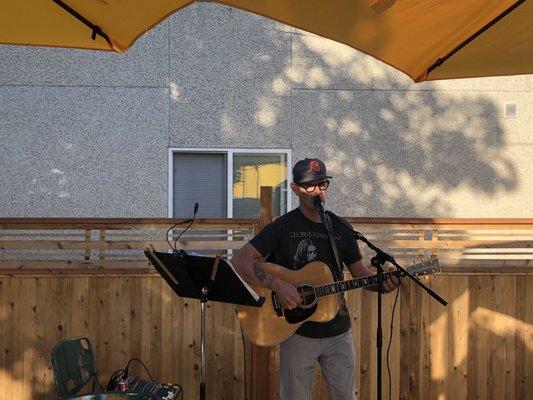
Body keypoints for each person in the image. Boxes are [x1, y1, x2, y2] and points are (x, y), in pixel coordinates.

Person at [231, 158, 400, 400]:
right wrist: (277, 285)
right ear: (295, 189)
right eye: (310, 186)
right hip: (296, 332)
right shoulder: (282, 227)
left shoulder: (341, 227)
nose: (318, 191)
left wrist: (383, 284)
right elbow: (240, 260)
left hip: (338, 331)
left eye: (322, 184)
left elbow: (361, 274)